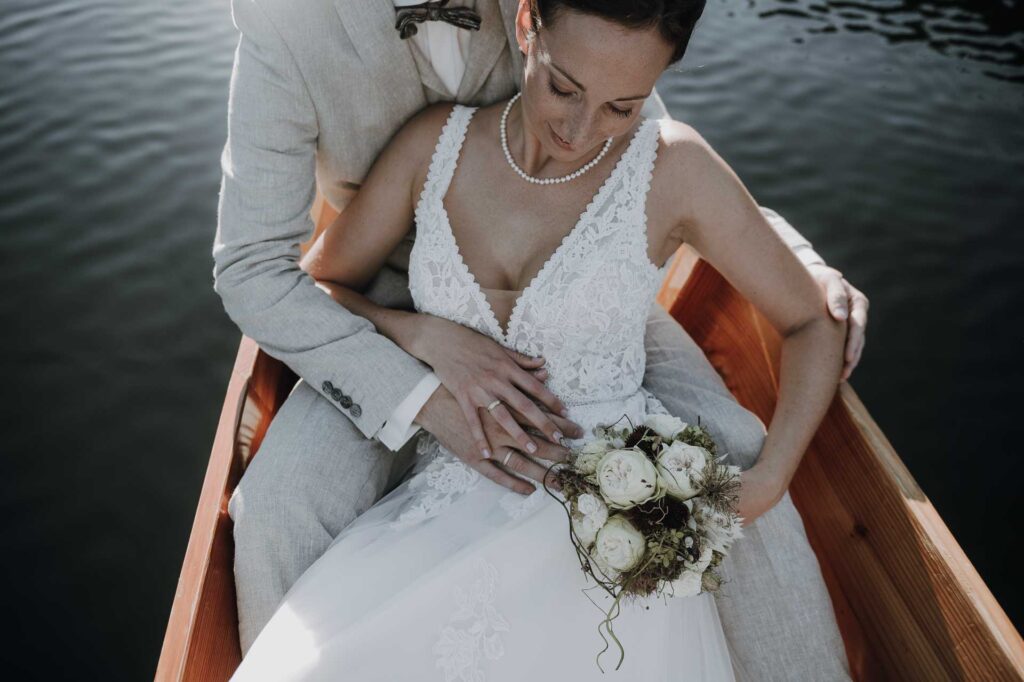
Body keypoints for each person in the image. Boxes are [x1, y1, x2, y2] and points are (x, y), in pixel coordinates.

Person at [213, 0, 867, 676]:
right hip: (390, 289)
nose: (584, 130)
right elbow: (263, 272)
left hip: (596, 312)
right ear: (530, 30)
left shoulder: (624, 108)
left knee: (734, 451)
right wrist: (420, 351)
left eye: (614, 109)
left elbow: (655, 133)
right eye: (563, 90)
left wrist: (805, 272)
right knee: (277, 509)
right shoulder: (295, 27)